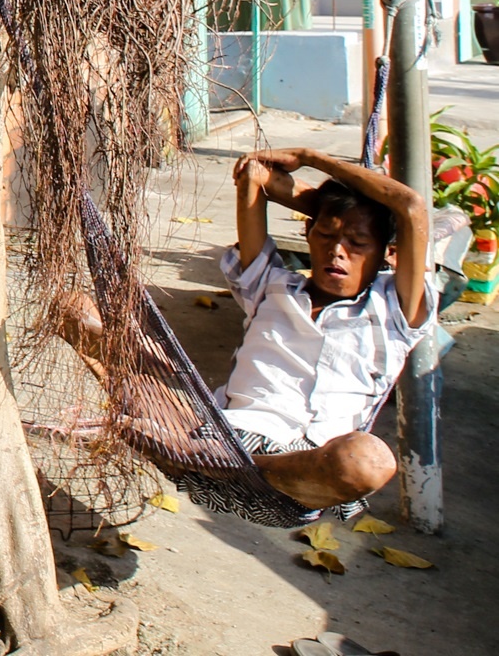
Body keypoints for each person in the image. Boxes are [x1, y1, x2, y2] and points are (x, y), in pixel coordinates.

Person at [61, 147, 432, 522]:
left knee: (367, 461)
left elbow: (411, 208)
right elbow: (255, 175)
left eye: (358, 243)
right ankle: (205, 455)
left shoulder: (396, 311)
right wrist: (333, 207)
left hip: (300, 476)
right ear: (308, 231)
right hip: (222, 434)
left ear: (388, 253)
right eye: (325, 233)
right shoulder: (271, 285)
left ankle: (208, 457)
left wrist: (310, 158)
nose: (337, 251)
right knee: (74, 310)